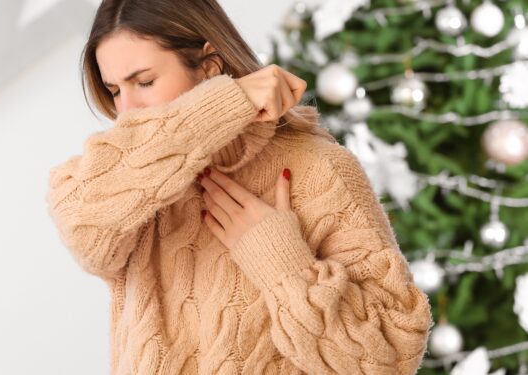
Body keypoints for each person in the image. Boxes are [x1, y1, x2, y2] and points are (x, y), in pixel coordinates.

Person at [45, 0, 434, 374]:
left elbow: (390, 357)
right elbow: (81, 224)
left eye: (144, 82)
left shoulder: (318, 169)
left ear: (210, 64)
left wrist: (281, 262)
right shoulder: (127, 184)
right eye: (114, 91)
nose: (126, 112)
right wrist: (223, 107)